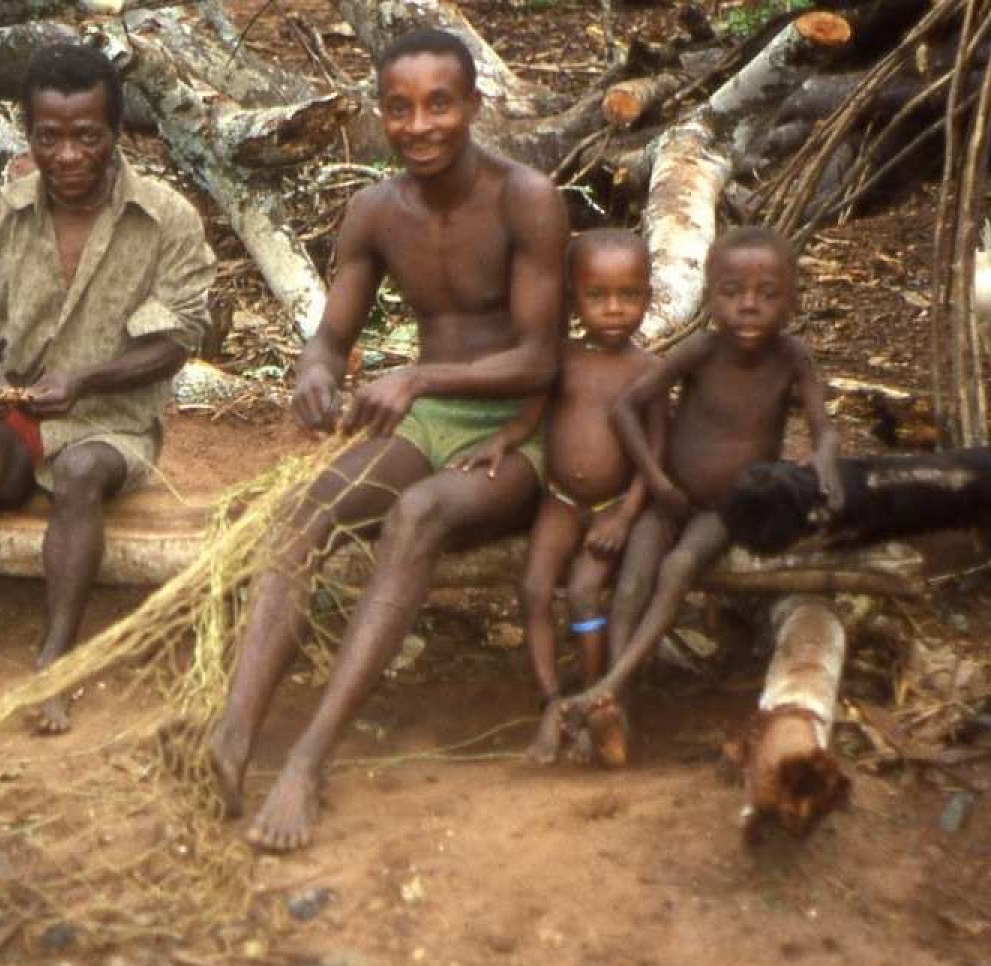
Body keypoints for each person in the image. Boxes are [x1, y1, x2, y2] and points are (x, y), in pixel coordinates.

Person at [205, 28, 569, 852]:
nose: (421, 125)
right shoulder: (375, 210)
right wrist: (314, 372)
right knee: (301, 513)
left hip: (525, 429)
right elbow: (332, 336)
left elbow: (541, 357)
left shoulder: (527, 199)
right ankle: (233, 737)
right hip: (431, 418)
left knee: (416, 518)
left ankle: (307, 759)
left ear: (474, 106)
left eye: (440, 103)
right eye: (399, 108)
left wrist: (418, 377)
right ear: (381, 116)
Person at [0, 41, 216, 734]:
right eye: (49, 136)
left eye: (86, 137)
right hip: (19, 412)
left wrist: (87, 379)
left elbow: (178, 342)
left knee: (84, 469)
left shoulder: (166, 218)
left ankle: (53, 657)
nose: (67, 155)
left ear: (115, 134)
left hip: (114, 420)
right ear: (27, 134)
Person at [553, 226, 843, 758]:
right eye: (732, 294)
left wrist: (823, 457)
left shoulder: (792, 358)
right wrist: (658, 480)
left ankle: (607, 686)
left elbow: (823, 425)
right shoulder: (701, 350)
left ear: (793, 300)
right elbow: (625, 410)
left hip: (729, 506)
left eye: (767, 294)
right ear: (711, 298)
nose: (749, 307)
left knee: (677, 568)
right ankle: (616, 708)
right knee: (634, 579)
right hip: (671, 498)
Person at [517, 229, 662, 765]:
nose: (614, 310)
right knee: (533, 590)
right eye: (597, 296)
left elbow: (654, 457)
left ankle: (595, 702)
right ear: (574, 300)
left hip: (610, 508)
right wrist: (500, 444)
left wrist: (625, 515)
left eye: (629, 295)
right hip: (558, 500)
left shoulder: (648, 371)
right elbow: (530, 418)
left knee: (582, 593)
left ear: (648, 296)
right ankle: (551, 702)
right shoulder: (563, 359)